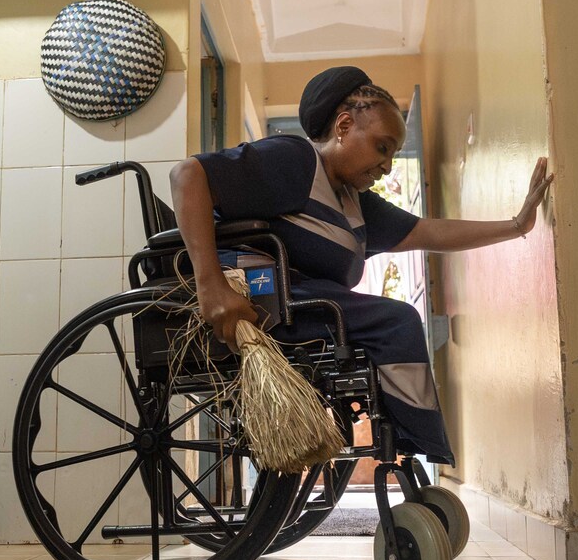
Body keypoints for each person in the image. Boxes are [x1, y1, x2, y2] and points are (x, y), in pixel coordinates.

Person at [168, 65, 553, 466]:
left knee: (387, 320)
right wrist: (209, 285)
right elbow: (188, 174)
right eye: (382, 148)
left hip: (306, 307)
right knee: (396, 321)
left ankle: (409, 444)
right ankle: (418, 447)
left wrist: (517, 225)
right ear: (345, 125)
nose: (387, 166)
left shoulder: (355, 204)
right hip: (264, 298)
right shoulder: (295, 160)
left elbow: (431, 233)